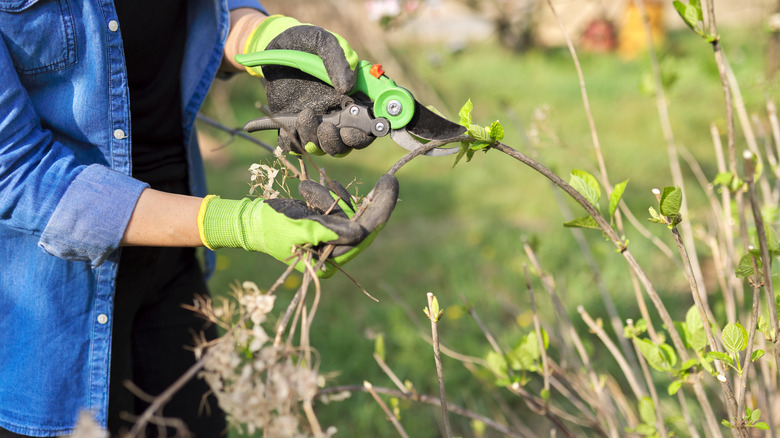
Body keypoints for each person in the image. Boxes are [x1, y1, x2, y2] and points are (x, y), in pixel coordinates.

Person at [0, 1, 397, 436]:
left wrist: (266, 41)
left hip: (174, 268)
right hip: (49, 305)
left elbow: (210, 12)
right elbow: (17, 171)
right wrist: (238, 224)